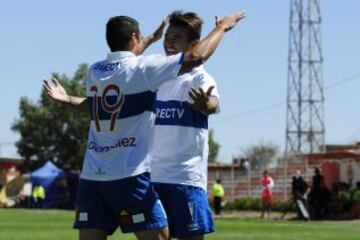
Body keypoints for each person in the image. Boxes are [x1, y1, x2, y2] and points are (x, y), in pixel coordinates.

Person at [43, 11, 246, 240]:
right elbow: (195, 57)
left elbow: (105, 96)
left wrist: (69, 99)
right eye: (166, 36)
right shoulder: (148, 71)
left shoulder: (96, 71)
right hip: (134, 176)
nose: (167, 40)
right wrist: (222, 28)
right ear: (133, 38)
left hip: (105, 176)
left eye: (175, 36)